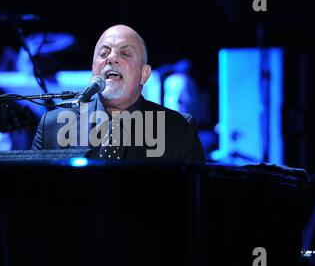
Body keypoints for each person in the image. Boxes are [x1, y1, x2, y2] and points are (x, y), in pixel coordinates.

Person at [32, 25, 204, 163]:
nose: (111, 59)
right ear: (93, 71)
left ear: (144, 74)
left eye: (125, 53)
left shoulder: (179, 130)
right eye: (103, 53)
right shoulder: (52, 127)